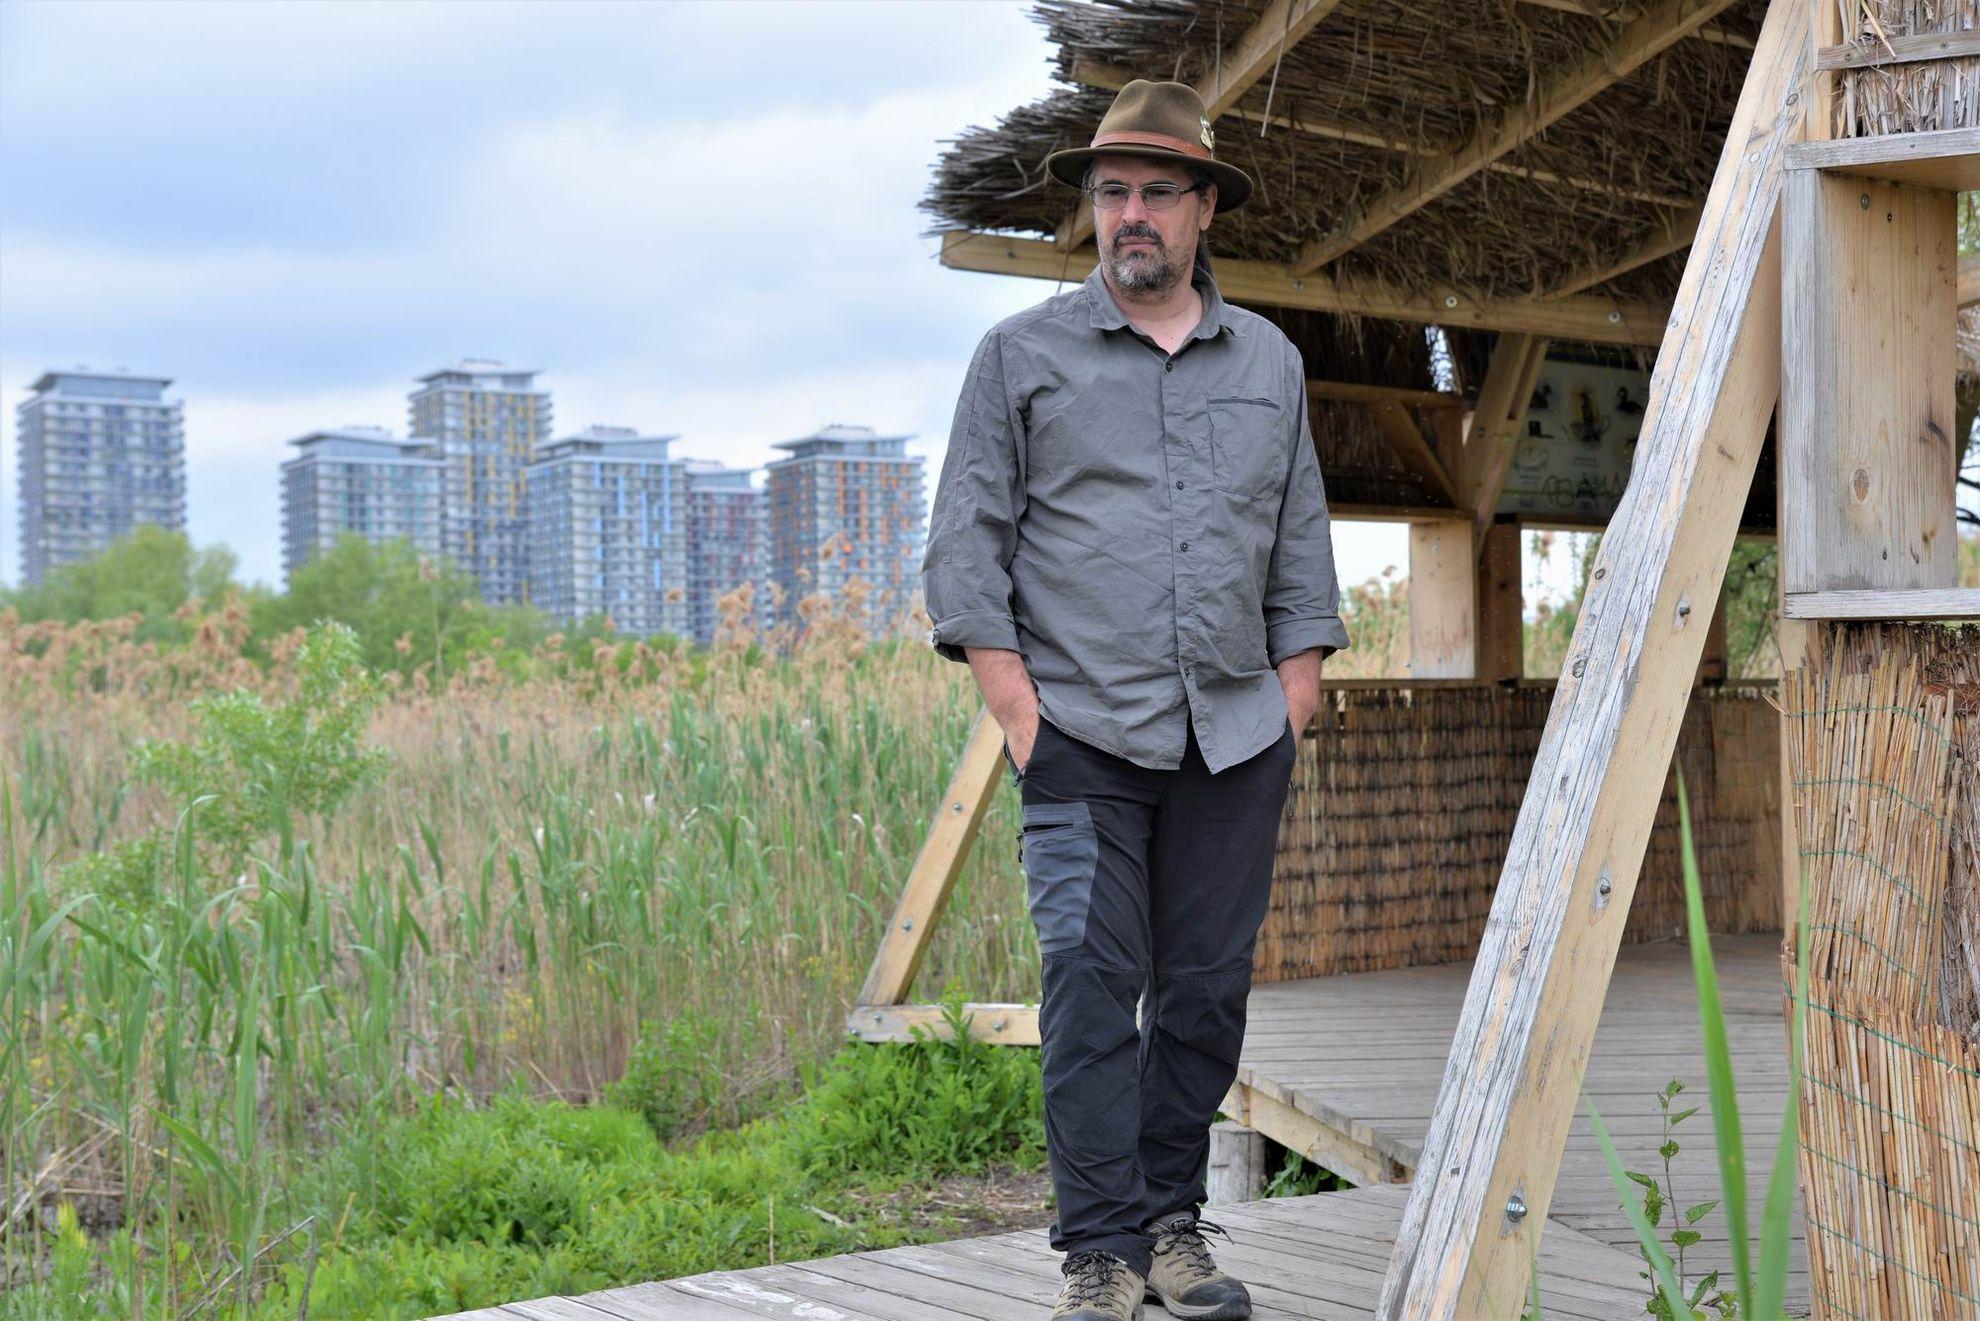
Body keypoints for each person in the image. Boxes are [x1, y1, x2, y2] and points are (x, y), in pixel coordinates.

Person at [921, 78, 1350, 1321]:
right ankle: (1099, 1253)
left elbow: (1299, 540)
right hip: (1081, 740)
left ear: (1205, 207)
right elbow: (966, 545)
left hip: (1234, 738)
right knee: (1090, 987)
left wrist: (1294, 692)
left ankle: (1171, 1227)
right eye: (1113, 192)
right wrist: (1018, 711)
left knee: (1205, 992)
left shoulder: (1268, 361)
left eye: (1159, 190)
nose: (1132, 214)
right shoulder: (1021, 357)